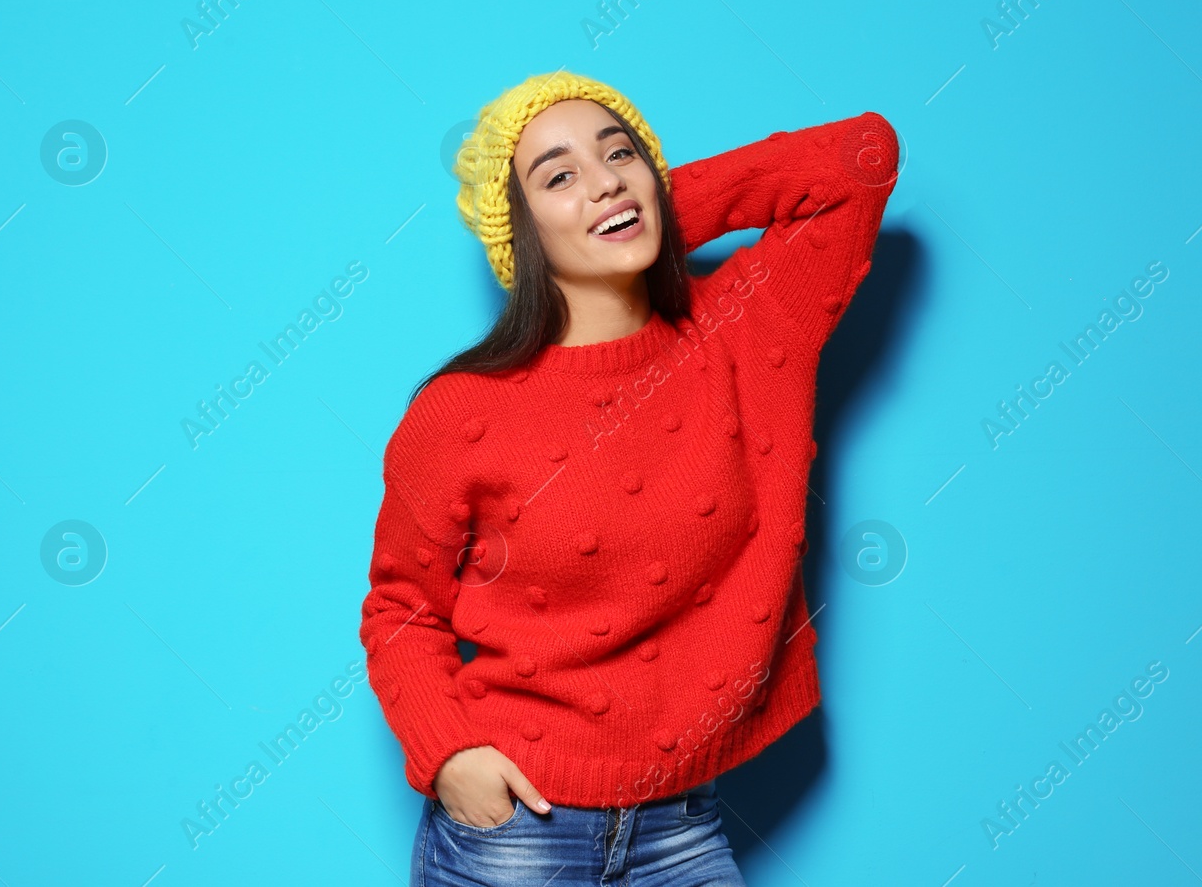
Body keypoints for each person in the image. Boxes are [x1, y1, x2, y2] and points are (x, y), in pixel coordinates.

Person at [358, 70, 900, 885]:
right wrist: (450, 753)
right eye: (559, 175)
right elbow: (402, 609)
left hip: (683, 826)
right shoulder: (461, 411)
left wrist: (635, 205)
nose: (604, 177)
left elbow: (862, 158)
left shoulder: (747, 327)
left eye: (622, 153)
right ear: (518, 227)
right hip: (515, 833)